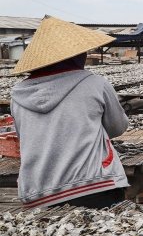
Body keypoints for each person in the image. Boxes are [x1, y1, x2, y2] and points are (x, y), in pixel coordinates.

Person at [11, 16, 130, 208]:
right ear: (76, 55)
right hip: (94, 186)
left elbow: (24, 137)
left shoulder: (17, 95)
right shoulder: (95, 83)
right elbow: (118, 127)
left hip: (38, 193)